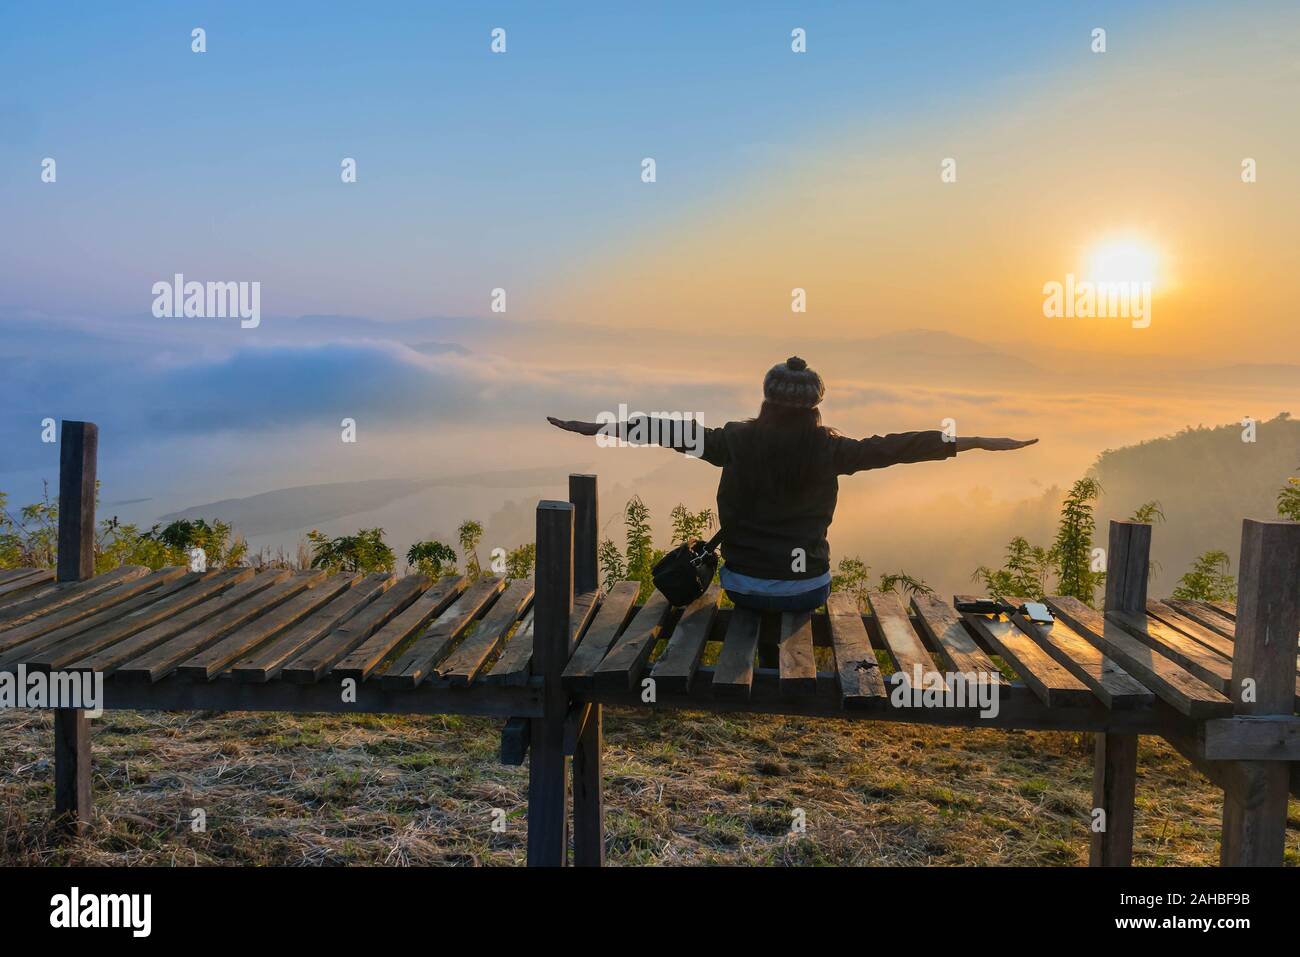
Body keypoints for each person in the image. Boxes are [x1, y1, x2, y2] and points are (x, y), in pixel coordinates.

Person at [547, 356, 1036, 612]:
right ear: (814, 405)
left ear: (767, 402)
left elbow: (673, 432)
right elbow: (897, 446)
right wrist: (970, 440)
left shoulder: (735, 441)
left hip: (741, 586)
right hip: (806, 590)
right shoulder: (831, 450)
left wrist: (601, 426)